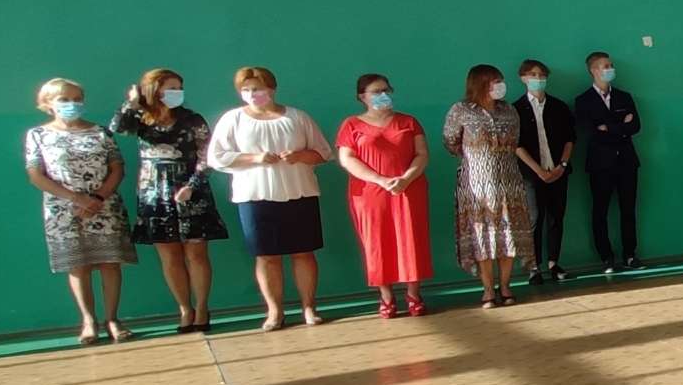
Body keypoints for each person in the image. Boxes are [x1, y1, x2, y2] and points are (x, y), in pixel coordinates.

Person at [204, 65, 332, 329]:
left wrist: (299, 156)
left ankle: (309, 307)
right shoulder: (233, 119)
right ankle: (275, 311)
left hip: (299, 193)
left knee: (303, 252)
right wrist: (255, 158)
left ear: (272, 89)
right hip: (255, 196)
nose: (253, 94)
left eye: (258, 88)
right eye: (246, 89)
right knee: (266, 255)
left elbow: (323, 152)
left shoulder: (297, 117)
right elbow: (216, 157)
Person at [111, 67, 224, 331]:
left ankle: (202, 307)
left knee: (196, 252)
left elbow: (207, 155)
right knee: (169, 255)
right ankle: (184, 308)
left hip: (189, 189)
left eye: (179, 88)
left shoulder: (191, 119)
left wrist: (193, 185)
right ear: (155, 90)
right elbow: (117, 127)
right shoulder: (141, 118)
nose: (176, 93)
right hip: (154, 192)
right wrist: (132, 102)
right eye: (170, 88)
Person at [25, 78, 137, 343]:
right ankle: (88, 320)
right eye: (64, 99)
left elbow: (117, 168)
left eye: (77, 99)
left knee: (110, 263)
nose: (72, 104)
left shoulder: (100, 132)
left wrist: (97, 198)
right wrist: (77, 199)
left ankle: (113, 319)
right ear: (47, 103)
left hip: (104, 207)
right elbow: (36, 175)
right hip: (64, 211)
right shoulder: (38, 135)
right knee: (78, 265)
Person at [335, 73, 432, 318]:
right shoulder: (351, 125)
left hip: (408, 189)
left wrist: (406, 178)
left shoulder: (409, 122)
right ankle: (386, 297)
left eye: (387, 90)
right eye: (377, 91)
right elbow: (347, 159)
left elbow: (422, 154)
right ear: (362, 97)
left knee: (411, 239)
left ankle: (414, 295)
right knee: (376, 242)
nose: (383, 95)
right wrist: (380, 180)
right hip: (370, 194)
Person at [445, 64, 533, 307]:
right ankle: (487, 290)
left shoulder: (509, 110)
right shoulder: (461, 110)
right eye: (495, 81)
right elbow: (451, 141)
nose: (500, 86)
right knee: (482, 236)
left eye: (500, 81)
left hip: (509, 182)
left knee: (508, 236)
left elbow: (515, 140)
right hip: (476, 185)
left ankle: (505, 286)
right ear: (480, 84)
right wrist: (477, 157)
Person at [575, 51, 642, 272]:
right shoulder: (583, 101)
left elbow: (635, 126)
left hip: (627, 162)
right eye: (605, 66)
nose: (610, 69)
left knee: (628, 210)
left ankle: (630, 254)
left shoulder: (625, 97)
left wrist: (608, 127)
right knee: (600, 210)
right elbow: (590, 132)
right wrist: (621, 127)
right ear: (593, 70)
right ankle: (606, 257)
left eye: (611, 65)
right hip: (600, 164)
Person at [513, 59, 575, 285]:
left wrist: (562, 166)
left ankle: (553, 263)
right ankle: (533, 267)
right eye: (533, 74)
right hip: (531, 174)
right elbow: (516, 145)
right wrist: (538, 170)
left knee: (556, 217)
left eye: (541, 75)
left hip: (558, 171)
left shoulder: (559, 106)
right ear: (523, 78)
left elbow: (570, 139)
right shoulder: (515, 109)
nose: (538, 79)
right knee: (535, 218)